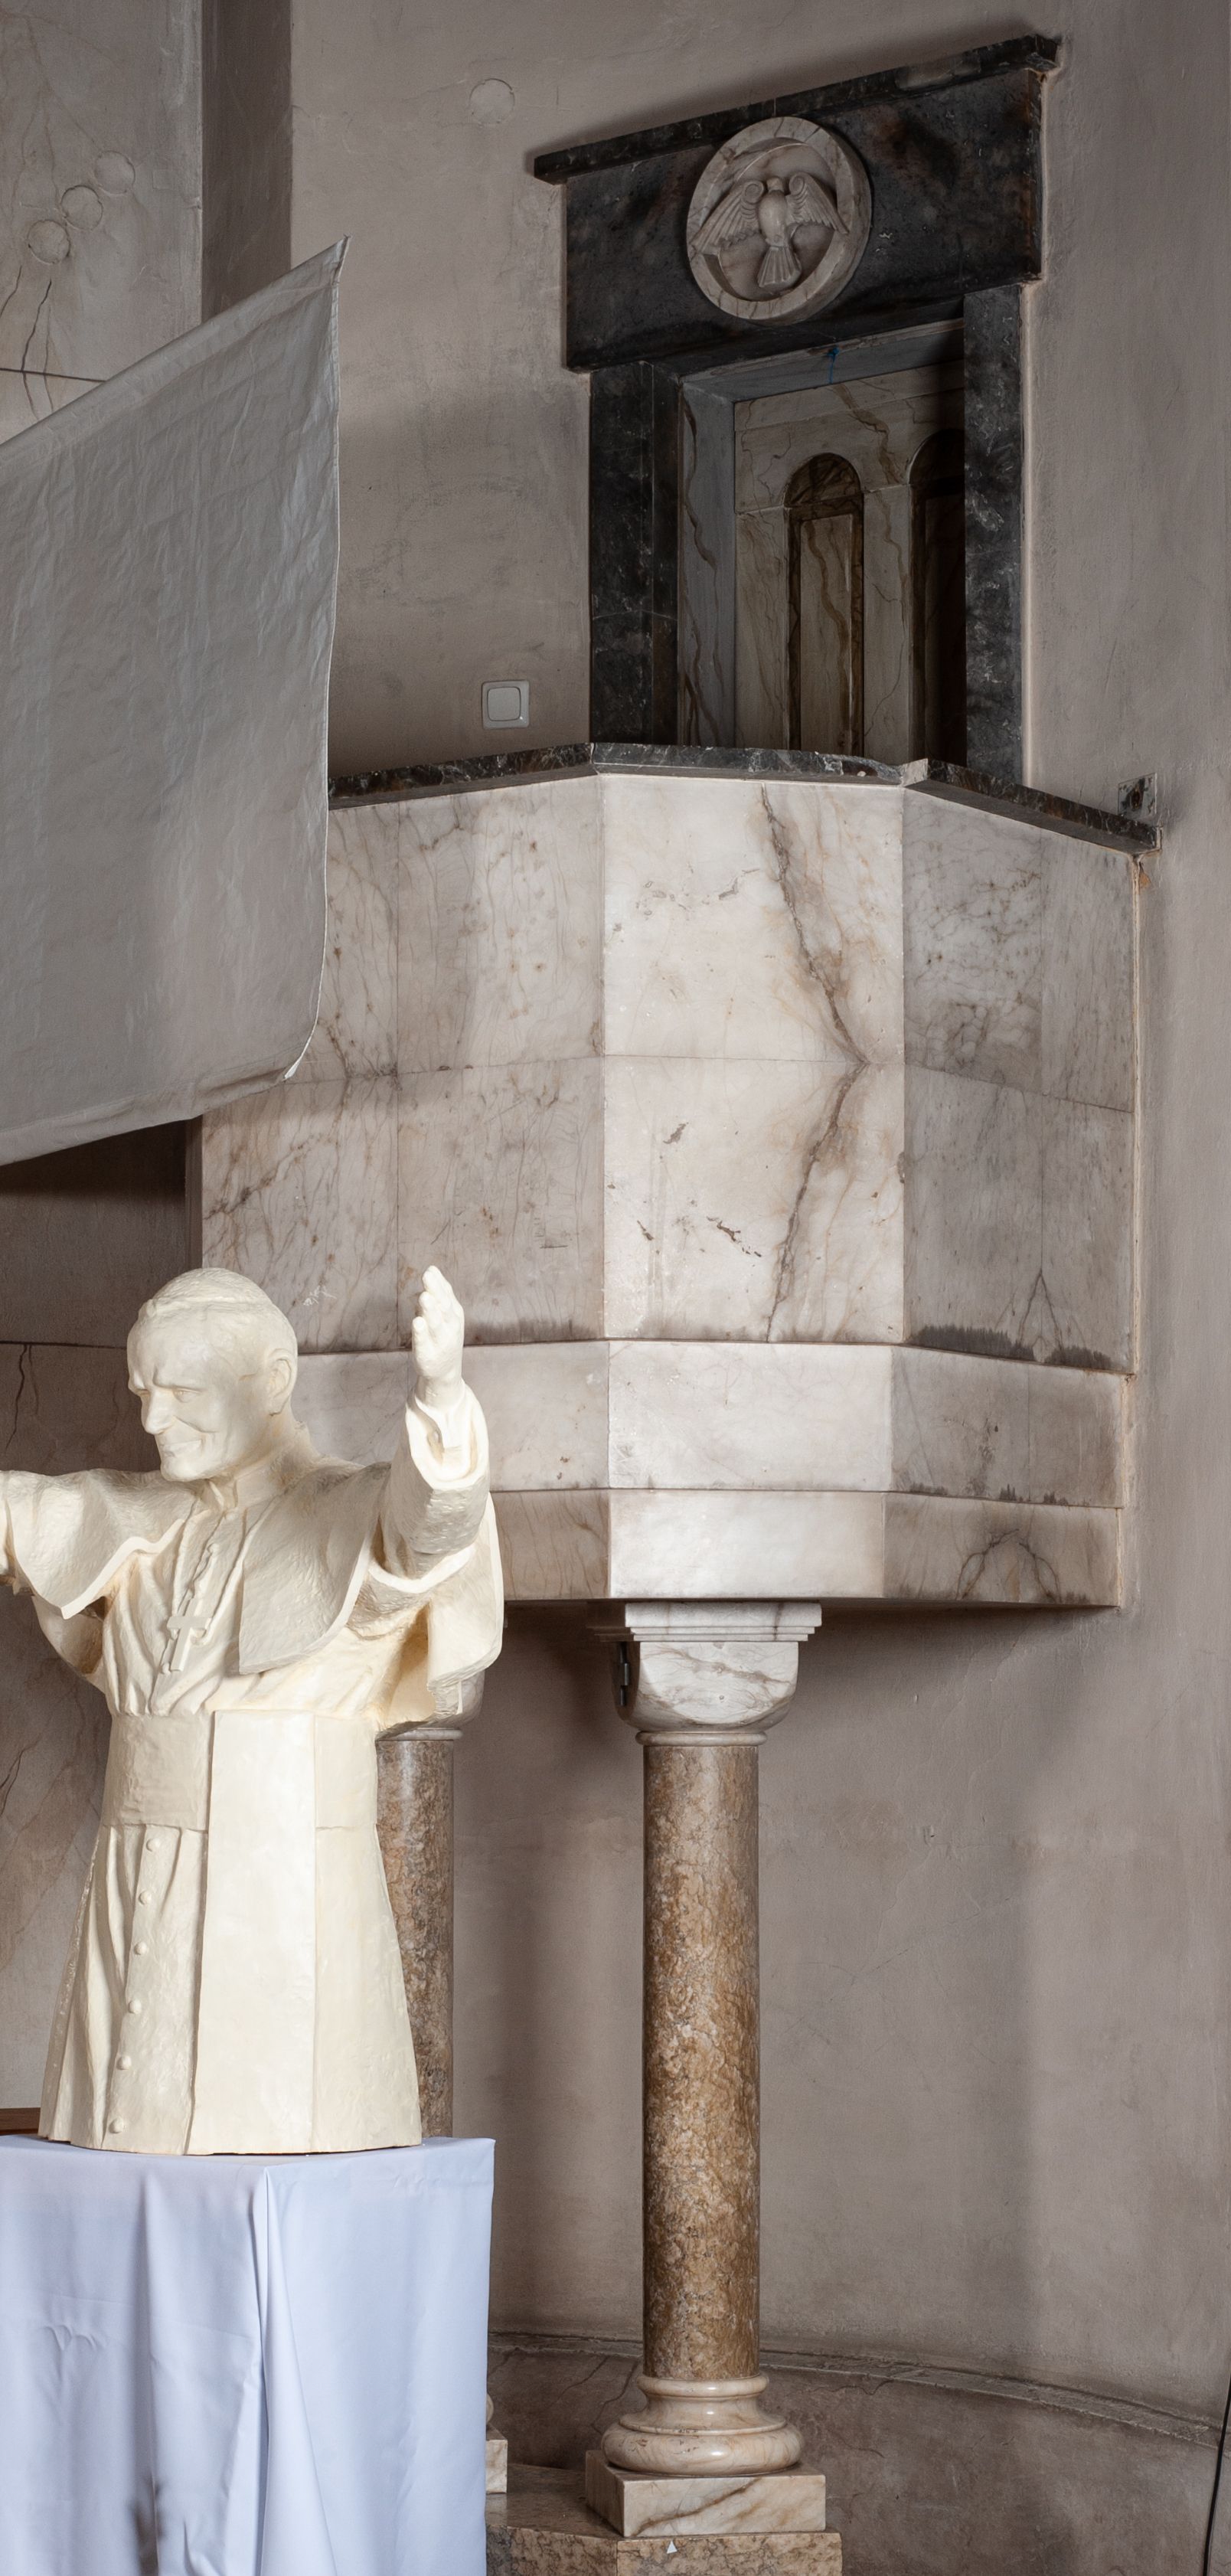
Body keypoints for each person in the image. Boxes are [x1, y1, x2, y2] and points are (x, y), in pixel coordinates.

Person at [0, 1263, 501, 2156]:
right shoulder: (133, 1513)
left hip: (285, 1899)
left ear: (272, 1380)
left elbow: (432, 1528)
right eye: (144, 1392)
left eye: (182, 1392)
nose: (153, 1420)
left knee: (273, 2150)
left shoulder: (350, 1511)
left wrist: (442, 1400)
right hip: (130, 1880)